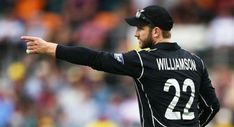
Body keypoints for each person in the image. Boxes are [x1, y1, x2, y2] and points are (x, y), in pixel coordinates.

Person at [21, 5, 219, 127]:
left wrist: (51, 48)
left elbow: (95, 58)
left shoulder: (143, 61)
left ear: (156, 32)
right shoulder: (195, 61)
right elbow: (212, 106)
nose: (136, 34)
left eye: (141, 28)